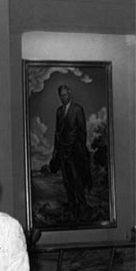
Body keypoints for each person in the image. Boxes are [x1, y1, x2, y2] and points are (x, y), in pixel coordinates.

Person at [49, 84, 92, 218]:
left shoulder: (78, 110)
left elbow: (82, 132)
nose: (63, 98)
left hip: (75, 152)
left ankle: (82, 207)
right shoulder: (59, 111)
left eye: (65, 95)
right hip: (62, 152)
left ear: (70, 93)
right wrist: (56, 151)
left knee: (77, 180)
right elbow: (57, 133)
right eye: (61, 96)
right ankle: (72, 205)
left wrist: (78, 149)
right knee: (67, 181)